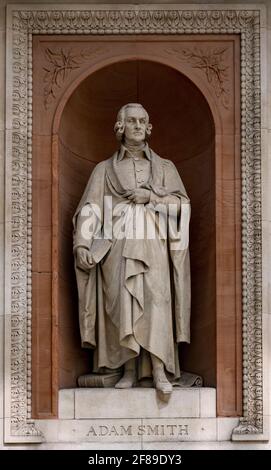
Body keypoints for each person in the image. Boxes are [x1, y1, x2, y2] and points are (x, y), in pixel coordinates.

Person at [73, 103, 191, 395]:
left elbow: (182, 207)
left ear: (149, 128)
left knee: (156, 301)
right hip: (116, 245)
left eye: (143, 121)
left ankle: (160, 369)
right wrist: (82, 244)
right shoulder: (104, 170)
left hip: (153, 245)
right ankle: (127, 368)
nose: (138, 126)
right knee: (122, 304)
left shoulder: (165, 168)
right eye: (132, 121)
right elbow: (91, 208)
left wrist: (151, 197)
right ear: (120, 127)